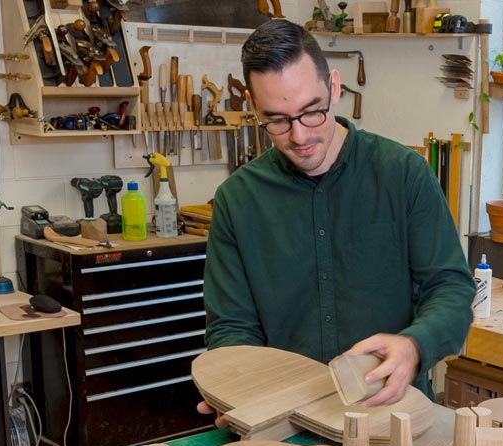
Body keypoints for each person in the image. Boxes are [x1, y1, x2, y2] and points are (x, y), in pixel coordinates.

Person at [197, 19, 474, 411]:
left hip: (393, 414)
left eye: (312, 111)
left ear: (334, 87)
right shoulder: (237, 200)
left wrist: (415, 346)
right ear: (253, 106)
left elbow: (451, 288)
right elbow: (231, 326)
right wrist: (234, 385)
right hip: (285, 420)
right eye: (277, 120)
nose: (299, 136)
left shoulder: (402, 173)